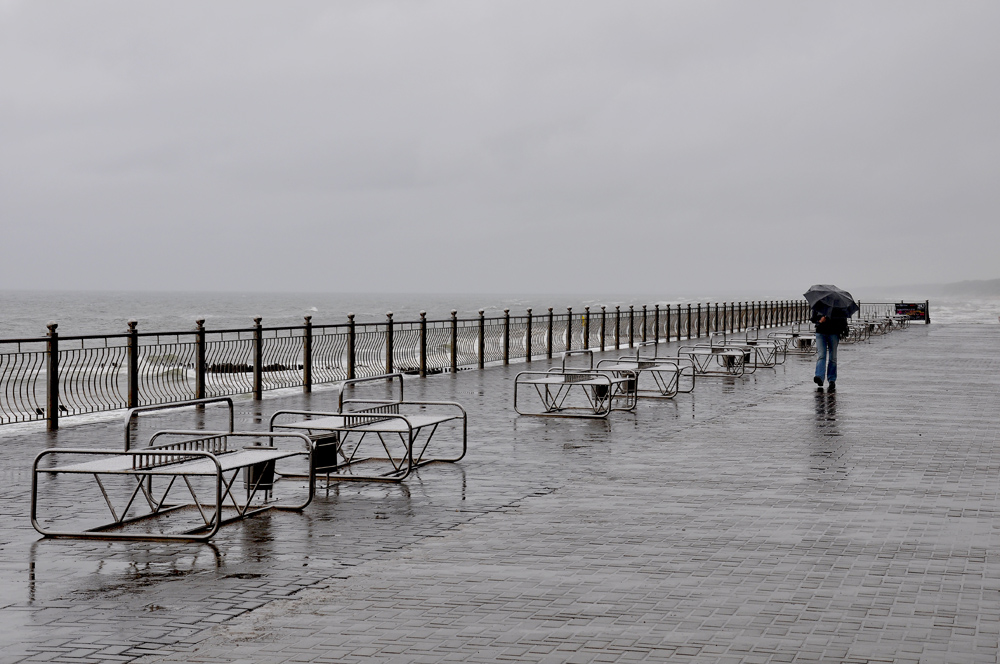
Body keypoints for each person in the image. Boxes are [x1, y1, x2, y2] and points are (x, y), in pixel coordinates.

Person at [811, 310, 848, 391]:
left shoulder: (838, 306)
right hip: (821, 332)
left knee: (833, 357)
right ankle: (819, 377)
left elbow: (843, 319)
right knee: (821, 355)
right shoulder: (819, 304)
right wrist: (820, 321)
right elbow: (813, 318)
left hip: (834, 332)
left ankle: (831, 379)